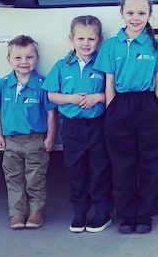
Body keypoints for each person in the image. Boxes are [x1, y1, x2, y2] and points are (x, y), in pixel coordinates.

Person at [95, 0, 158, 234]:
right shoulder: (110, 46)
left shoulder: (156, 44)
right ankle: (127, 214)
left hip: (148, 105)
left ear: (150, 14)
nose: (135, 17)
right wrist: (112, 112)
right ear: (121, 13)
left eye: (141, 12)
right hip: (120, 105)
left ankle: (145, 215)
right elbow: (109, 82)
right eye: (130, 12)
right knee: (122, 163)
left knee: (150, 162)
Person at [43, 16, 113, 234]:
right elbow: (52, 95)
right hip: (72, 127)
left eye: (91, 39)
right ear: (71, 39)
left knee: (100, 169)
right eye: (80, 38)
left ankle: (102, 212)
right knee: (76, 169)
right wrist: (71, 99)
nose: (86, 43)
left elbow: (113, 92)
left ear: (99, 40)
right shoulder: (62, 66)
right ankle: (80, 211)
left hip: (98, 125)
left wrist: (97, 97)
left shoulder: (103, 63)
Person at [0, 35, 57, 230]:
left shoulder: (42, 85)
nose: (24, 62)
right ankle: (17, 212)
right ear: (9, 60)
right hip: (11, 141)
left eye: (29, 57)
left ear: (36, 59)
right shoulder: (3, 84)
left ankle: (36, 211)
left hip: (35, 140)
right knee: (13, 178)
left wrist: (50, 138)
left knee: (35, 177)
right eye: (18, 58)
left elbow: (51, 113)